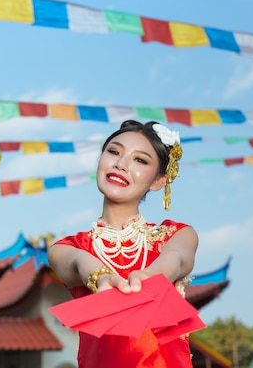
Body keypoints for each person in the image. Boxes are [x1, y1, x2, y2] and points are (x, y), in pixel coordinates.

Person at [48, 120, 198, 368]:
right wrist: (102, 278)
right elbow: (77, 262)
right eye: (114, 152)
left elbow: (177, 258)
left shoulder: (175, 235)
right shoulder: (69, 248)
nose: (121, 164)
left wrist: (149, 276)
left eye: (140, 160)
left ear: (158, 181)